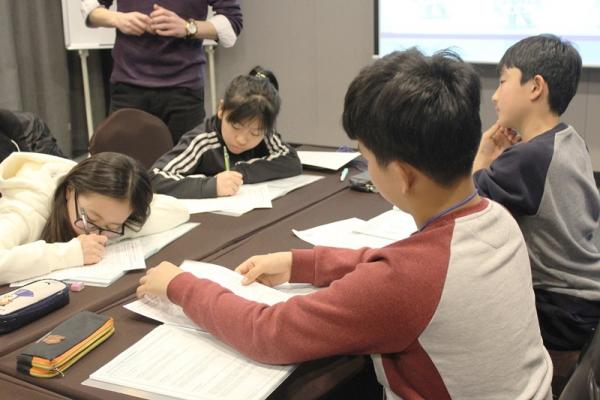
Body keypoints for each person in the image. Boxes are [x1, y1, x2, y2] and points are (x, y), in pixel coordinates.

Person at [137, 49, 552, 399]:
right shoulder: (496, 217)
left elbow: (268, 333)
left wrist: (180, 286)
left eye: (367, 159)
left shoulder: (406, 282)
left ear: (402, 175)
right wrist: (302, 264)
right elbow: (398, 266)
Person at [472, 34, 600, 352]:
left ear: (535, 87)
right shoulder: (569, 140)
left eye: (503, 82)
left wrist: (484, 155)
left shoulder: (529, 157)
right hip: (584, 302)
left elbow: (466, 207)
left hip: (556, 308)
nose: (494, 96)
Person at [0, 151, 189, 285]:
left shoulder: (98, 203)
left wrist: (116, 230)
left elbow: (178, 210)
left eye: (113, 226)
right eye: (91, 219)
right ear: (69, 192)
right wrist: (70, 253)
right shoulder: (27, 206)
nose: (96, 234)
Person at [81, 0, 243, 144]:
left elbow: (231, 24)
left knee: (183, 165)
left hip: (184, 91)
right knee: (124, 164)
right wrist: (118, 19)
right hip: (128, 86)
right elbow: (89, 7)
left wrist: (188, 27)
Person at [150, 66, 302, 199]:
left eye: (255, 133)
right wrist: (212, 185)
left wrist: (241, 172)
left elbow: (291, 160)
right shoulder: (202, 140)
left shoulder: (264, 131)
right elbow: (155, 178)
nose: (242, 139)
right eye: (236, 126)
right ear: (221, 110)